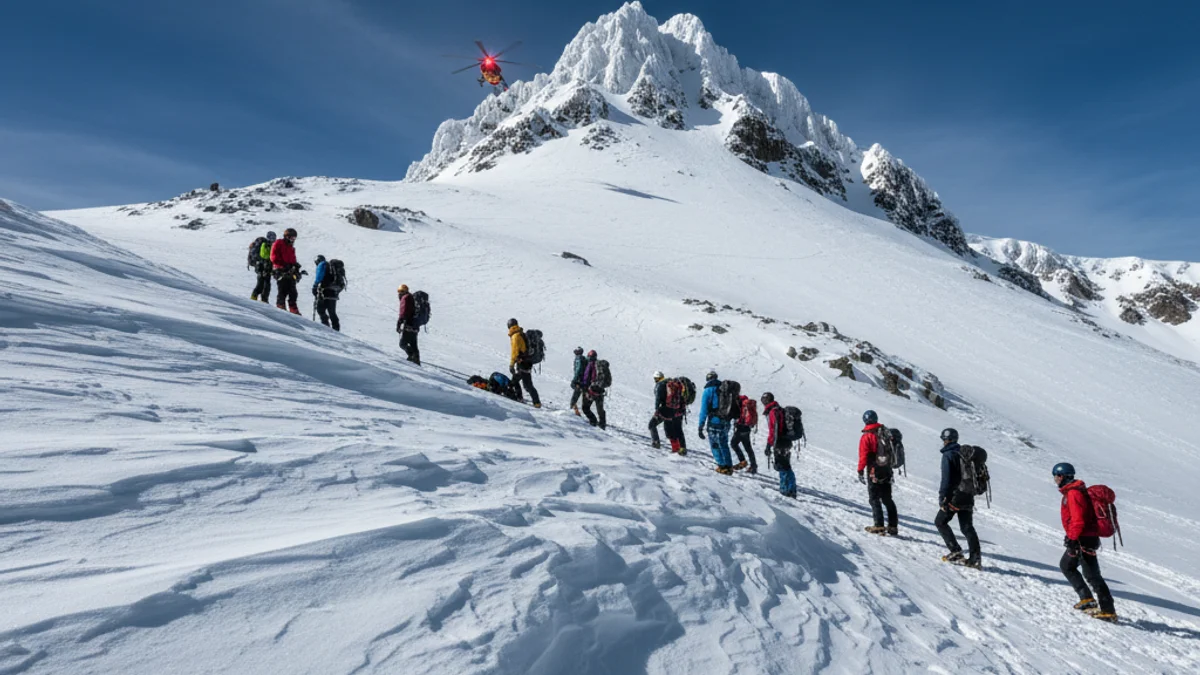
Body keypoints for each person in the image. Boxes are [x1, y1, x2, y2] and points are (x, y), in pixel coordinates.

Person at [1053, 462, 1117, 622]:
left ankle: (1108, 610)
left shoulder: (1073, 494)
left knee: (1092, 576)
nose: (1055, 480)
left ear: (1061, 476)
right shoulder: (1073, 492)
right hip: (1083, 537)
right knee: (1067, 565)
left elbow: (1078, 520)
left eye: (1055, 476)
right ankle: (1086, 599)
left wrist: (1072, 539)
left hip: (1083, 538)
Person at [935, 428, 981, 568]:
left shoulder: (949, 455)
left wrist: (943, 497)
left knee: (940, 522)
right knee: (967, 527)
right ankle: (975, 558)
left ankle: (955, 551)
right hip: (968, 495)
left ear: (945, 440)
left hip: (955, 497)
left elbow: (947, 479)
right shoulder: (964, 454)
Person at [858, 410, 899, 536]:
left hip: (873, 470)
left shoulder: (867, 436)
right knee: (887, 498)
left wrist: (860, 470)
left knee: (874, 498)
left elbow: (863, 455)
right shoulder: (885, 433)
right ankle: (893, 526)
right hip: (887, 469)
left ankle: (879, 525)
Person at [697, 371, 733, 475]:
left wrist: (701, 425)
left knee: (715, 445)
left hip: (714, 422)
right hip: (726, 421)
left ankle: (722, 466)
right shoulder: (725, 389)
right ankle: (729, 466)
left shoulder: (708, 390)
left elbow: (704, 409)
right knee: (724, 443)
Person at [762, 393, 795, 497]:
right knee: (786, 465)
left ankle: (787, 490)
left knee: (783, 466)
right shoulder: (780, 409)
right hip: (786, 441)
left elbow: (773, 431)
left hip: (779, 442)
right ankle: (789, 489)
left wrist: (769, 444)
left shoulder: (773, 412)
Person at [649, 372, 686, 454]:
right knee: (674, 429)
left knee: (652, 424)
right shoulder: (671, 383)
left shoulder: (660, 385)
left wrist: (657, 409)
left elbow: (658, 398)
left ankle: (656, 443)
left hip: (665, 409)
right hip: (676, 410)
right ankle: (679, 448)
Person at [507, 318, 540, 408]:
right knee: (525, 383)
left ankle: (525, 399)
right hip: (527, 362)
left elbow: (514, 352)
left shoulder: (515, 336)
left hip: (522, 363)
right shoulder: (521, 333)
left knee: (518, 382)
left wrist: (511, 365)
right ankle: (535, 402)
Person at [270, 227, 302, 314]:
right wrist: (283, 266)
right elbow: (273, 257)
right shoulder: (279, 243)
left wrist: (295, 266)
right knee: (283, 289)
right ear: (287, 236)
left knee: (293, 291)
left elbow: (292, 259)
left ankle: (293, 308)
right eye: (292, 238)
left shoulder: (291, 247)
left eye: (294, 238)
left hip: (289, 271)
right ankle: (281, 306)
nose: (293, 240)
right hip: (280, 270)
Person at [311, 255, 342, 331]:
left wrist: (315, 286)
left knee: (320, 309)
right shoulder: (332, 269)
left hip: (324, 291)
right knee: (332, 312)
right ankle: (336, 328)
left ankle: (325, 326)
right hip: (333, 292)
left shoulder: (322, 264)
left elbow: (319, 276)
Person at [731, 394, 757, 474]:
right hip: (747, 428)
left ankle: (743, 462)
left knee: (733, 444)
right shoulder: (747, 403)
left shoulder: (742, 404)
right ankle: (753, 466)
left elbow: (741, 416)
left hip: (741, 428)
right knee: (748, 448)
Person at [580, 350, 606, 429]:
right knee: (600, 409)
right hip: (600, 390)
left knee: (585, 407)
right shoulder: (600, 365)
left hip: (591, 390)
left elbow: (586, 377)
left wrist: (584, 386)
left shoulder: (590, 365)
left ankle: (593, 421)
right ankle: (602, 424)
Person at [396, 285, 420, 364]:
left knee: (402, 344)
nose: (399, 293)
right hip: (415, 326)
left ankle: (412, 356)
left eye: (401, 291)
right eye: (399, 291)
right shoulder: (412, 298)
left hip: (408, 325)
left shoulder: (405, 298)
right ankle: (416, 361)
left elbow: (403, 313)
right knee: (413, 344)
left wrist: (399, 324)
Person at [250, 231, 275, 302]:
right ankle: (253, 299)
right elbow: (261, 256)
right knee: (260, 284)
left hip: (268, 268)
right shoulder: (264, 244)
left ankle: (264, 300)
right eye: (271, 237)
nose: (273, 239)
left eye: (273, 238)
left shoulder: (271, 246)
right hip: (261, 267)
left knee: (267, 285)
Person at [569, 347, 586, 416]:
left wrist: (574, 379)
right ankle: (575, 411)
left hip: (579, 381)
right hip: (584, 381)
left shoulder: (579, 359)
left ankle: (573, 411)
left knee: (575, 396)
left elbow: (578, 370)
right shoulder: (584, 359)